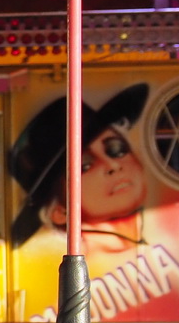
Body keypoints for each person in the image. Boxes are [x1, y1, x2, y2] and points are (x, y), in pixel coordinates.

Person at [9, 84, 149, 246]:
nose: (113, 165)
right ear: (60, 212)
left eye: (116, 149)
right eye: (85, 166)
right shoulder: (84, 266)